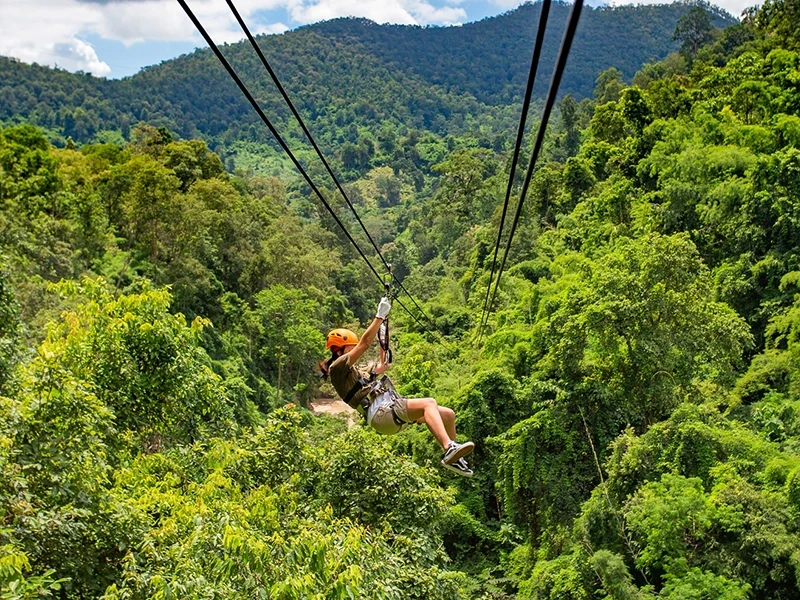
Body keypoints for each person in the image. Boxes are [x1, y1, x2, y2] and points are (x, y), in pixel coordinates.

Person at [319, 296, 474, 476]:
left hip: (386, 412)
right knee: (429, 403)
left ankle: (454, 458)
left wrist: (383, 333)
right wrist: (379, 316)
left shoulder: (356, 373)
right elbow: (365, 343)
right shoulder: (337, 368)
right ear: (339, 349)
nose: (353, 351)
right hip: (382, 413)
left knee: (448, 415)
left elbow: (380, 367)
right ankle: (449, 448)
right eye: (350, 348)